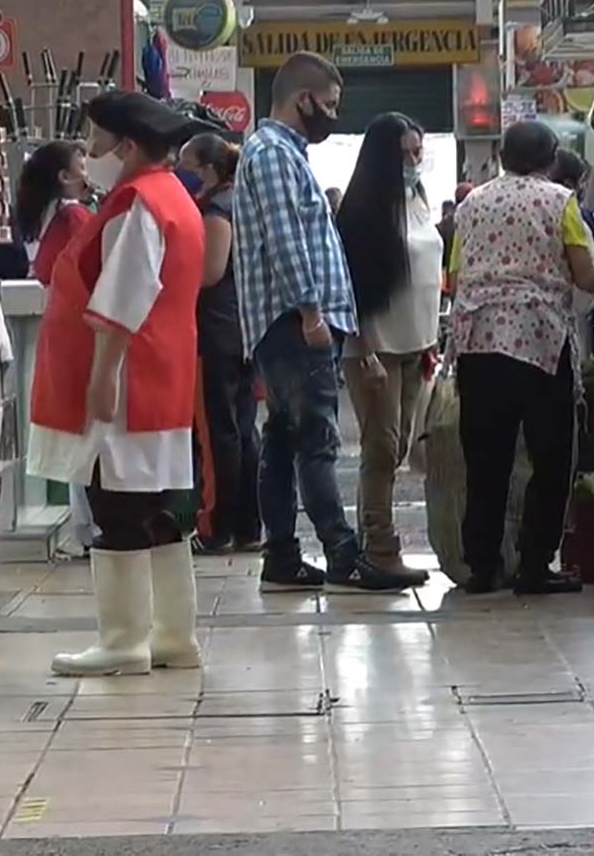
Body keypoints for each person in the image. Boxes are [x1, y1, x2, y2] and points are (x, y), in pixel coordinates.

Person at [27, 91, 215, 676]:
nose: (90, 153)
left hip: (128, 383)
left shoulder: (137, 204)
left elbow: (123, 297)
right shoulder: (175, 199)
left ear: (127, 145)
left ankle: (124, 640)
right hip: (164, 380)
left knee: (118, 509)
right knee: (160, 511)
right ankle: (172, 635)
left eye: (95, 142)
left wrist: (104, 375)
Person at [232, 50, 408, 594]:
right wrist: (311, 310)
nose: (332, 114)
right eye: (328, 104)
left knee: (285, 441)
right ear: (302, 99)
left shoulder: (284, 153)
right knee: (317, 440)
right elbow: (286, 240)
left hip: (297, 320)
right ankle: (342, 554)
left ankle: (282, 557)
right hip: (294, 321)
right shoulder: (271, 155)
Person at [447, 121, 594, 596]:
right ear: (551, 159)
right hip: (538, 340)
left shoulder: (472, 203)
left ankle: (482, 565)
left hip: (478, 340)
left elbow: (455, 275)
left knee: (485, 460)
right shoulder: (560, 202)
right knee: (551, 458)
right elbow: (586, 276)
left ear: (501, 157)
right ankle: (535, 564)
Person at [334, 113, 439, 586]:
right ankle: (381, 547)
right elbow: (350, 288)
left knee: (396, 447)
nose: (414, 161)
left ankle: (368, 541)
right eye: (404, 154)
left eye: (418, 151)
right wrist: (367, 351)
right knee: (380, 448)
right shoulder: (361, 212)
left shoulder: (417, 200)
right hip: (375, 349)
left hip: (417, 344)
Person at [178, 133, 261, 554]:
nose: (182, 173)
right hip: (241, 327)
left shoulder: (217, 207)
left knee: (216, 433)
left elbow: (210, 271)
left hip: (215, 329)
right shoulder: (242, 201)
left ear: (208, 169)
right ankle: (247, 524)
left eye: (187, 165)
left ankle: (216, 526)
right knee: (242, 429)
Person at [14, 141, 92, 285]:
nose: (88, 175)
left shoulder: (40, 214)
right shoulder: (74, 216)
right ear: (65, 177)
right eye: (82, 168)